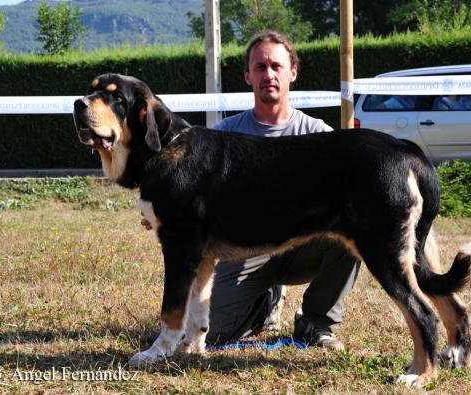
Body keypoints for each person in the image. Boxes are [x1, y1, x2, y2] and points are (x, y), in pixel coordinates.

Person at [141, 30, 361, 349]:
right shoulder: (222, 135)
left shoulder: (317, 133)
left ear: (292, 73)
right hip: (242, 254)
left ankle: (316, 322)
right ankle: (263, 305)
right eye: (259, 67)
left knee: (353, 223)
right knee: (211, 333)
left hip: (306, 243)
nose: (268, 74)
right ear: (247, 76)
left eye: (276, 66)